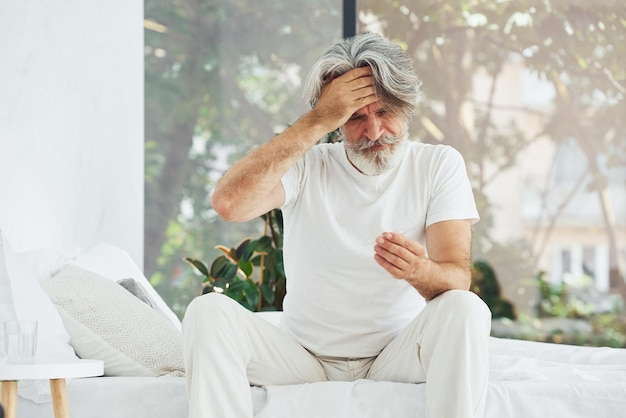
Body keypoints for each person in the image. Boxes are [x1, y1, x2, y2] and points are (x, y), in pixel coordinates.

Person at [183, 32, 491, 418]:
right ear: (336, 120)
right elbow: (229, 203)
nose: (374, 132)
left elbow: (457, 279)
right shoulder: (309, 165)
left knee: (467, 308)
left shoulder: (438, 165)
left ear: (406, 106)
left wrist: (420, 270)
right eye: (356, 117)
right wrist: (317, 119)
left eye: (384, 112)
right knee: (207, 313)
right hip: (303, 357)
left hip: (396, 354)